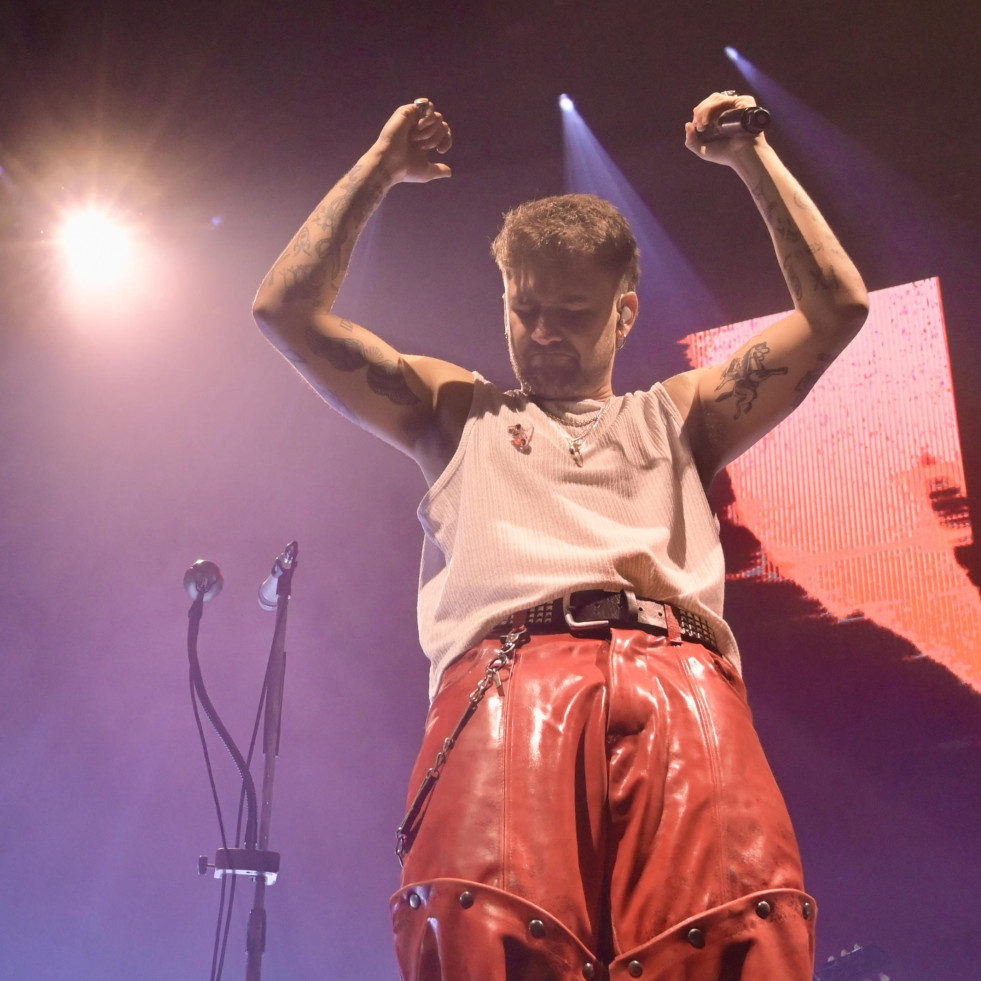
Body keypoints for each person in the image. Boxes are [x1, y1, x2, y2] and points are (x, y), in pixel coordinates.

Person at [252, 92, 869, 981]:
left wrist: (751, 162)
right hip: (508, 679)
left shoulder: (679, 415)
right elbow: (284, 313)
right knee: (487, 926)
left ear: (623, 312)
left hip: (680, 678)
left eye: (571, 311)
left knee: (733, 930)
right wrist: (379, 169)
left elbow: (837, 310)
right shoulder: (451, 410)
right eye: (523, 306)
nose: (540, 332)